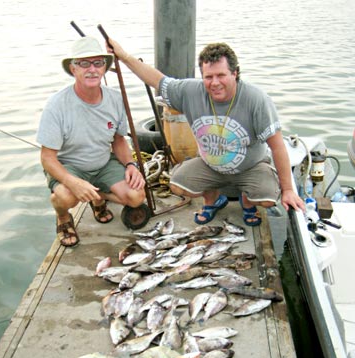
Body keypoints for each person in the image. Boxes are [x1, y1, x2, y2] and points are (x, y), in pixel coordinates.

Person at [105, 39, 305, 226]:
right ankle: (215, 200)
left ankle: (247, 201)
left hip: (251, 166)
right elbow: (156, 80)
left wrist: (288, 190)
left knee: (268, 198)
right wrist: (123, 56)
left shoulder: (257, 100)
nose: (214, 82)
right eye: (208, 77)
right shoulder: (191, 91)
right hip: (211, 164)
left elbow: (278, 147)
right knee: (176, 184)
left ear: (235, 73)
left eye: (221, 75)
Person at [37, 36, 146, 247]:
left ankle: (97, 196)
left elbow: (119, 140)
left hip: (103, 162)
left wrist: (130, 165)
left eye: (98, 63)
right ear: (73, 69)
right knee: (67, 198)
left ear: (105, 67)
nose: (92, 69)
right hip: (69, 167)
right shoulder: (56, 105)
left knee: (136, 196)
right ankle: (63, 217)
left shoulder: (115, 98)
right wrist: (72, 182)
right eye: (84, 63)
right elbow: (47, 158)